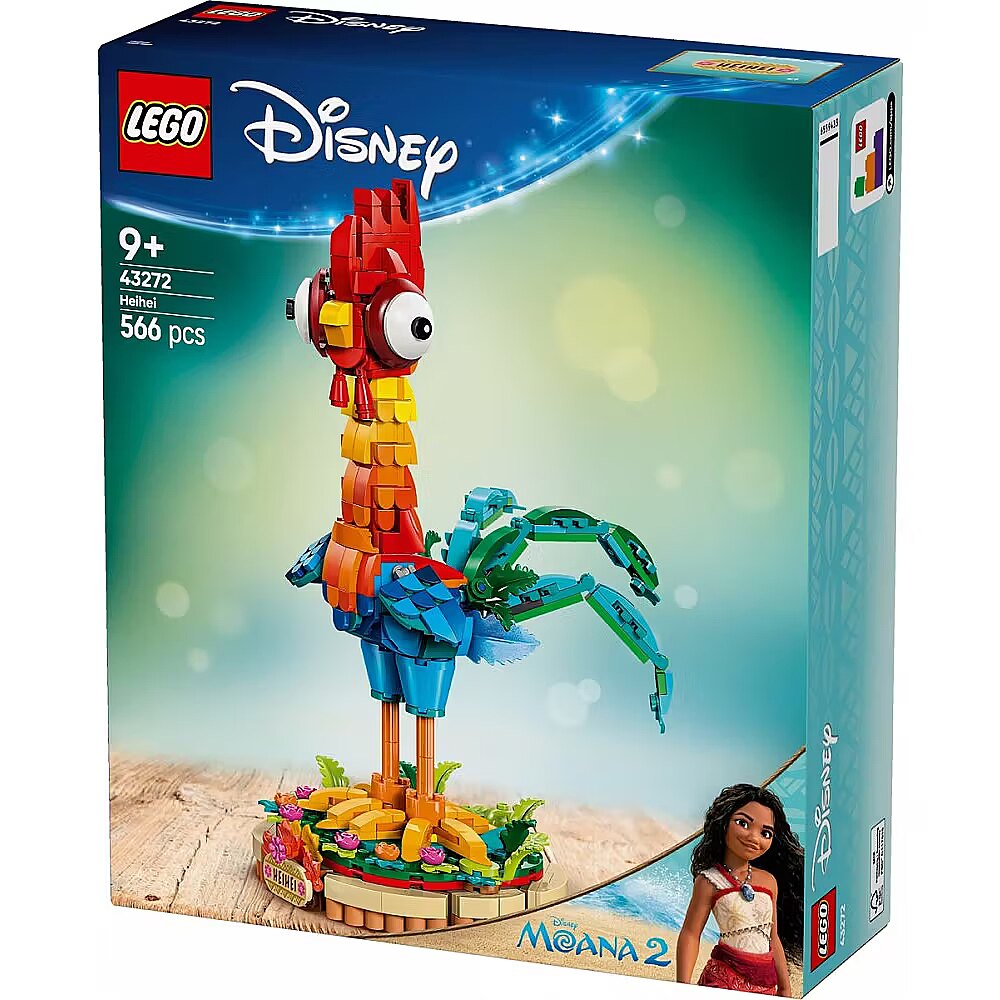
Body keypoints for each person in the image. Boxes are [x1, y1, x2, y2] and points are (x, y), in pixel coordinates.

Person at [677, 784, 803, 994]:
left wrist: (784, 987)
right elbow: (691, 933)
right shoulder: (709, 881)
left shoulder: (768, 881)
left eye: (765, 833)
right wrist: (682, 986)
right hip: (724, 979)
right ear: (723, 823)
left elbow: (773, 937)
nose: (754, 838)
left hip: (765, 983)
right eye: (743, 823)